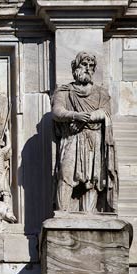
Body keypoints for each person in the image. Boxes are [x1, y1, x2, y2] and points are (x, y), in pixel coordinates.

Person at [52, 51, 118, 212]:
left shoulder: (101, 92)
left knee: (92, 179)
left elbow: (105, 112)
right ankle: (62, 214)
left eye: (91, 66)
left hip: (94, 139)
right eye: (84, 64)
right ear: (76, 67)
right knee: (66, 175)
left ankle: (89, 216)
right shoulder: (64, 91)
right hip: (72, 139)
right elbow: (57, 111)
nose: (88, 68)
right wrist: (75, 115)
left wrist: (83, 120)